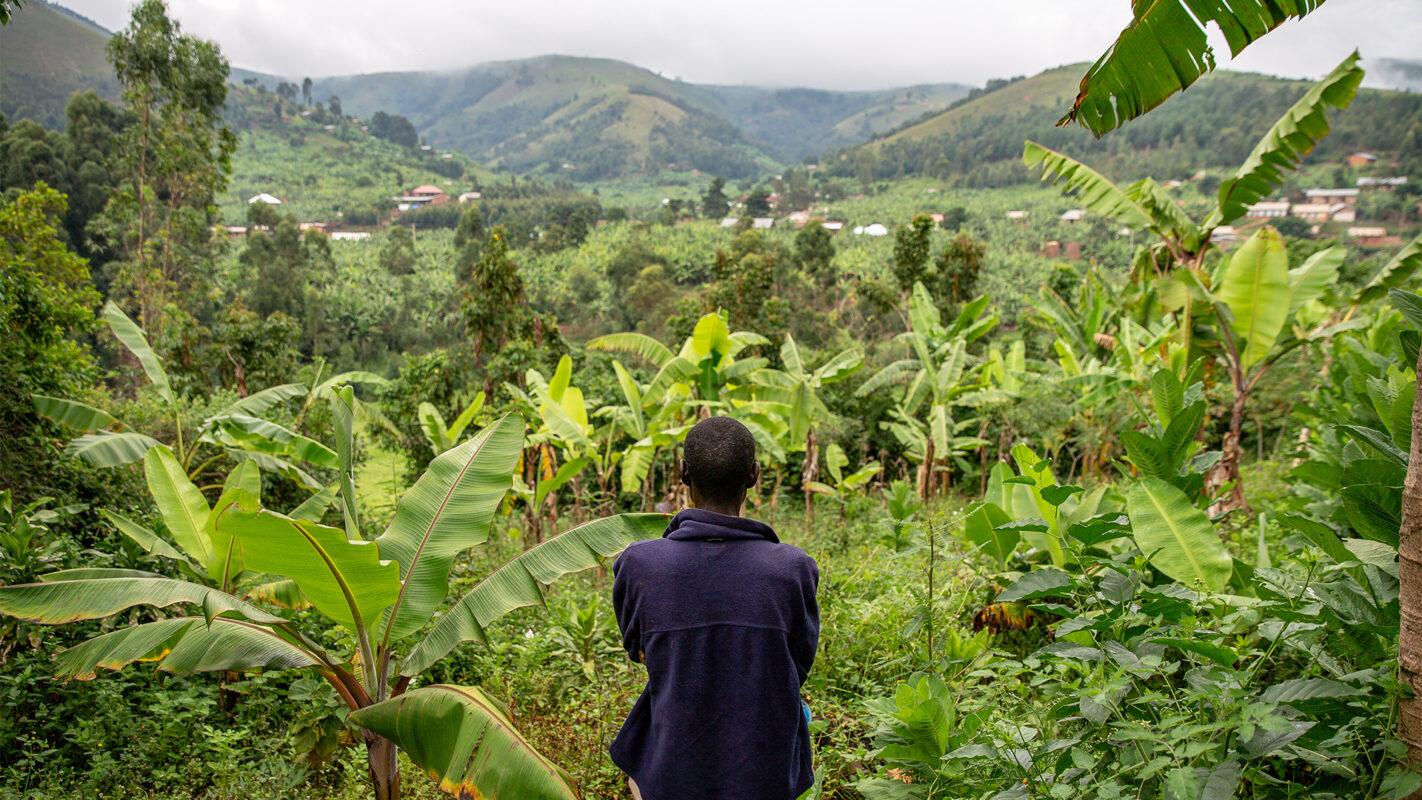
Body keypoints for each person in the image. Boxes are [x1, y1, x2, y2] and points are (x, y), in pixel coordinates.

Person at [610, 416, 820, 800]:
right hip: (765, 773)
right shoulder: (793, 568)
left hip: (670, 771)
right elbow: (797, 664)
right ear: (754, 476)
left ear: (683, 473)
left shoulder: (638, 564)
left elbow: (638, 651)